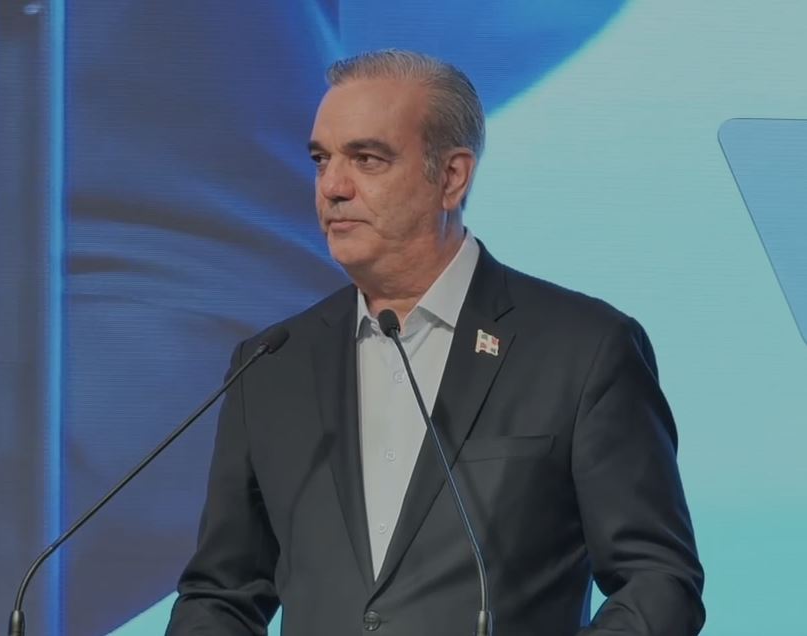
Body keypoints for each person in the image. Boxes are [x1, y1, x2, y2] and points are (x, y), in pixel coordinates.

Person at [166, 50, 705, 636]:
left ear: (451, 177)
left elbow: (657, 580)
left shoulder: (584, 349)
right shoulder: (271, 364)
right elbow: (220, 595)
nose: (333, 188)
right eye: (322, 160)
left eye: (367, 159)